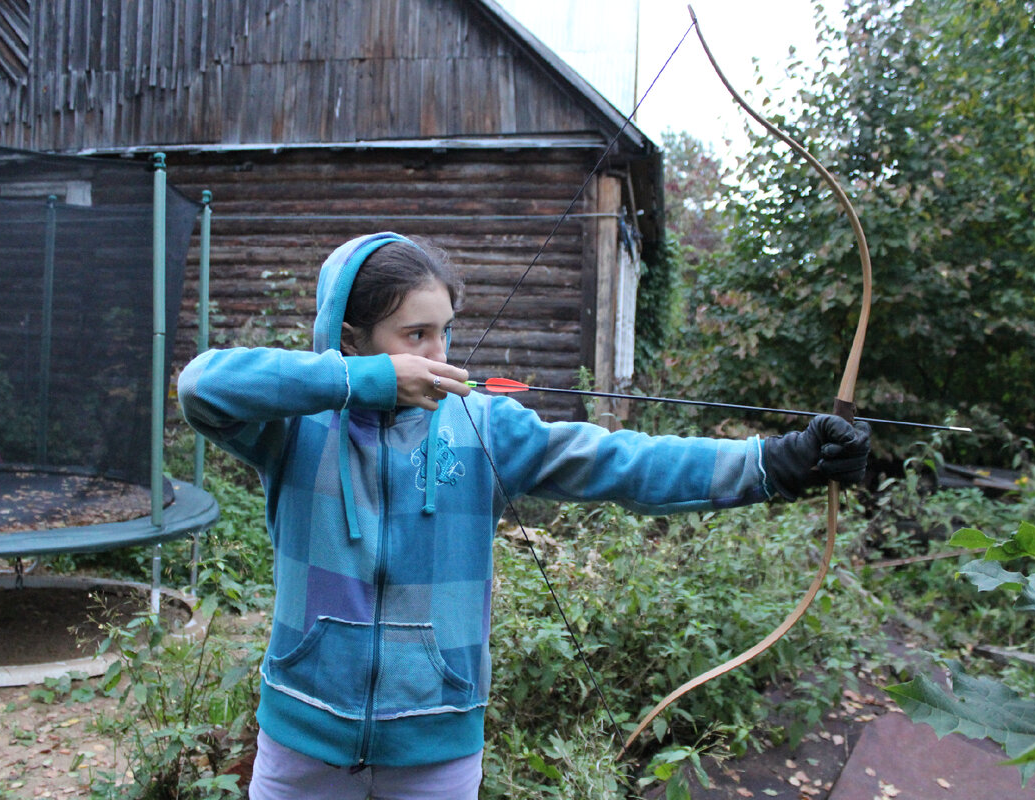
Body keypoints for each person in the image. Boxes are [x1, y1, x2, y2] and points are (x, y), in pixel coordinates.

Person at [177, 232, 870, 800]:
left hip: (437, 748)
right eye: (414, 334)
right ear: (350, 339)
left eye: (444, 333)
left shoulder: (483, 428)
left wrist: (775, 463)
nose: (437, 357)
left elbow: (622, 461)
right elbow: (202, 385)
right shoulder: (295, 428)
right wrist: (366, 383)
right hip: (302, 740)